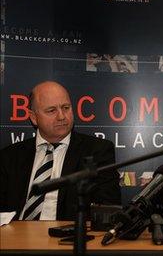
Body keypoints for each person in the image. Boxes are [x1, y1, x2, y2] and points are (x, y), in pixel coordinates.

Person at [0, 81, 121, 221]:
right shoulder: (10, 156)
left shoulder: (97, 151)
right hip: (15, 237)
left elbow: (108, 209)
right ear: (33, 117)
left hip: (66, 237)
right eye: (51, 110)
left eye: (66, 107)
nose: (62, 116)